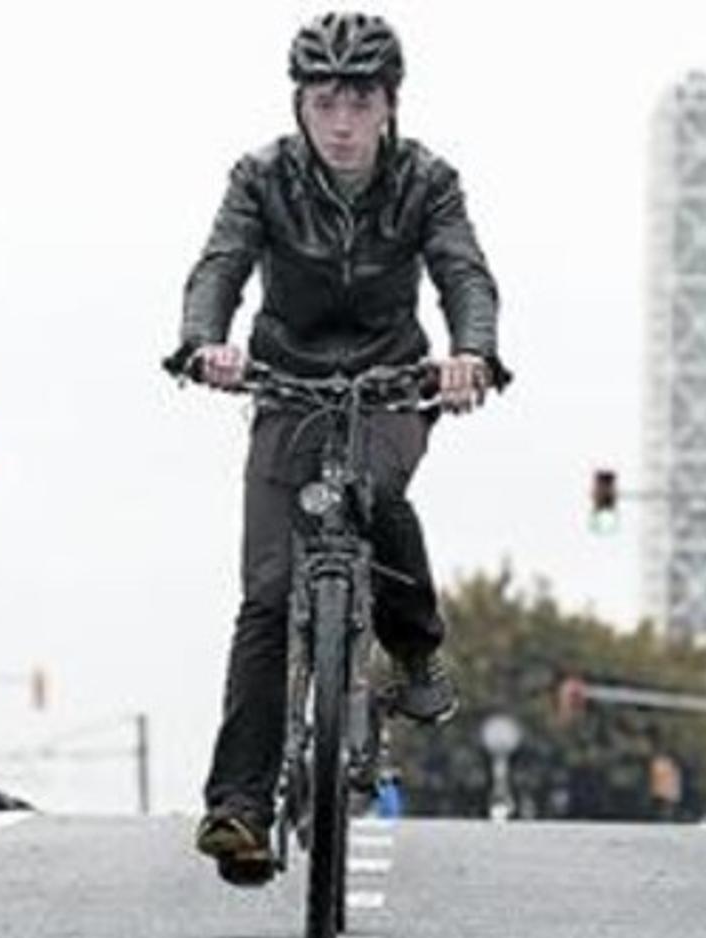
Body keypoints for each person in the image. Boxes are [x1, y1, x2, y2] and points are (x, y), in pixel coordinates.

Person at [164, 12, 511, 882]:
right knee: (269, 594)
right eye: (327, 102)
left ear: (391, 105)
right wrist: (206, 341)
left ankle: (416, 645)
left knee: (379, 494)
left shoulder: (427, 180)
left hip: (392, 382)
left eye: (361, 101)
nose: (345, 123)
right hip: (286, 387)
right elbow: (221, 264)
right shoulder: (262, 177)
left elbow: (463, 270)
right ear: (302, 107)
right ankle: (239, 808)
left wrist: (471, 353)